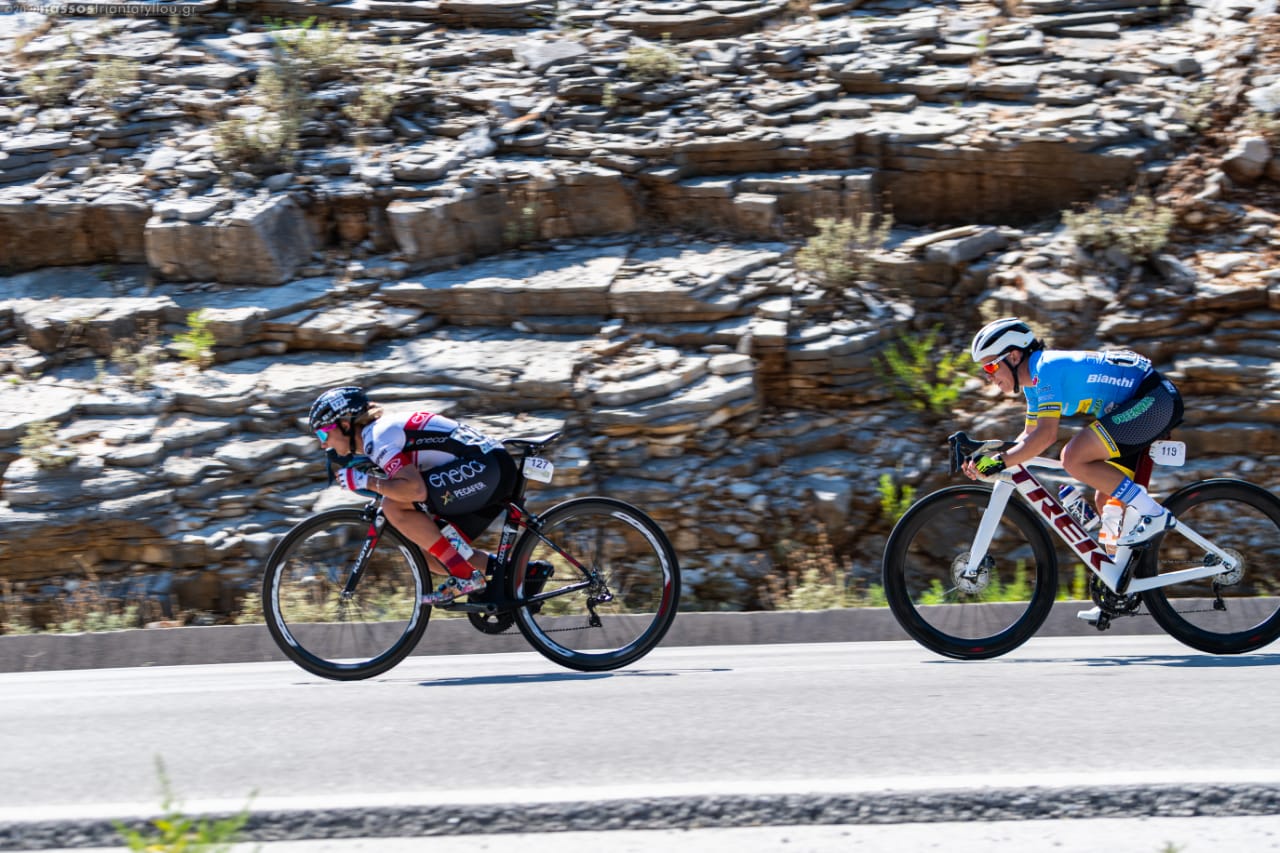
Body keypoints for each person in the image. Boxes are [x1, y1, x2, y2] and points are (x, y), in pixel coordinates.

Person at [962, 316, 1184, 563]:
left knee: (1073, 457)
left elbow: (1046, 436)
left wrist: (1001, 462)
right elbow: (1028, 437)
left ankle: (1153, 514)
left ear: (1014, 357)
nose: (988, 377)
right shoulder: (1033, 385)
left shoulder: (1046, 369)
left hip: (1153, 399)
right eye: (984, 370)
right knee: (1107, 503)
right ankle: (1123, 589)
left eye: (991, 367)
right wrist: (989, 461)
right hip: (1132, 407)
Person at [308, 386, 517, 606]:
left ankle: (465, 577)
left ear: (345, 424)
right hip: (488, 469)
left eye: (323, 433)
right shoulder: (379, 434)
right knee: (435, 552)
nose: (323, 443)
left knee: (394, 506)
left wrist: (367, 481)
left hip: (486, 468)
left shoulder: (376, 437)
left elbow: (415, 490)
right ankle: (522, 571)